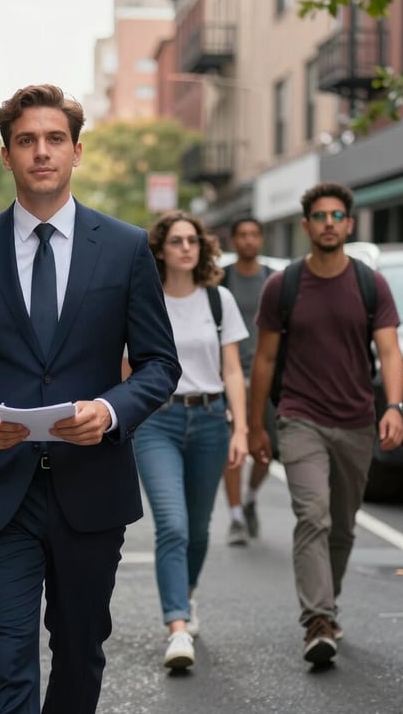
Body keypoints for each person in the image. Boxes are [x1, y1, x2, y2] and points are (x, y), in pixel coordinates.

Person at [0, 84, 181, 713]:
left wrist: (111, 411)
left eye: (54, 139)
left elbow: (159, 364)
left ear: (77, 151)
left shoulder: (124, 247)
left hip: (91, 488)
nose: (41, 152)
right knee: (6, 663)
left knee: (81, 651)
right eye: (26, 141)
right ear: (7, 155)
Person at [249, 181, 403, 666]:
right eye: (320, 217)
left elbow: (390, 350)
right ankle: (317, 618)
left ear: (349, 225)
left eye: (338, 216)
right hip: (300, 418)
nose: (330, 224)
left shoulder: (369, 284)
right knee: (313, 515)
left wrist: (394, 406)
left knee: (341, 526)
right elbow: (265, 360)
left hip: (357, 420)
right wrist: (256, 426)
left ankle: (327, 606)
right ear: (306, 227)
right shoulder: (284, 286)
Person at [127, 211, 248, 670]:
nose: (186, 247)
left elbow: (232, 368)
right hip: (157, 421)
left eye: (193, 241)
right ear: (160, 249)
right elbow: (127, 368)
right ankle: (177, 626)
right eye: (176, 241)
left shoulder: (218, 301)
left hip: (211, 418)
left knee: (198, 528)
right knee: (173, 525)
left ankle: (187, 595)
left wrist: (240, 428)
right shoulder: (143, 300)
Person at [220, 217, 275, 546]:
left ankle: (251, 496)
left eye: (254, 234)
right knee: (234, 446)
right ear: (234, 240)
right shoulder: (222, 278)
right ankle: (236, 517)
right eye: (242, 235)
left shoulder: (273, 279)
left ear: (262, 239)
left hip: (266, 377)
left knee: (265, 449)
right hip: (230, 375)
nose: (249, 240)